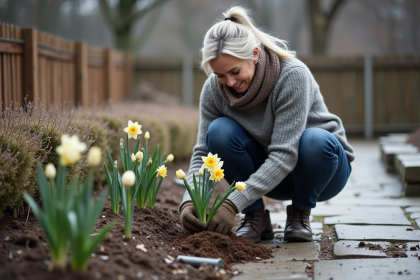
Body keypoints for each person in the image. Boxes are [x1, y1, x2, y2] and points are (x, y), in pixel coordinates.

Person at [178, 6, 354, 243]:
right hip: (271, 176)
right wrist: (190, 200)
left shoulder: (292, 76)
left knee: (314, 141)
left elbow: (284, 154)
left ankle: (300, 214)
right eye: (220, 75)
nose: (229, 82)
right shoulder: (213, 89)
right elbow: (202, 155)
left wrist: (231, 205)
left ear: (254, 54)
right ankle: (256, 216)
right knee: (218, 132)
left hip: (322, 171)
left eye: (235, 71)